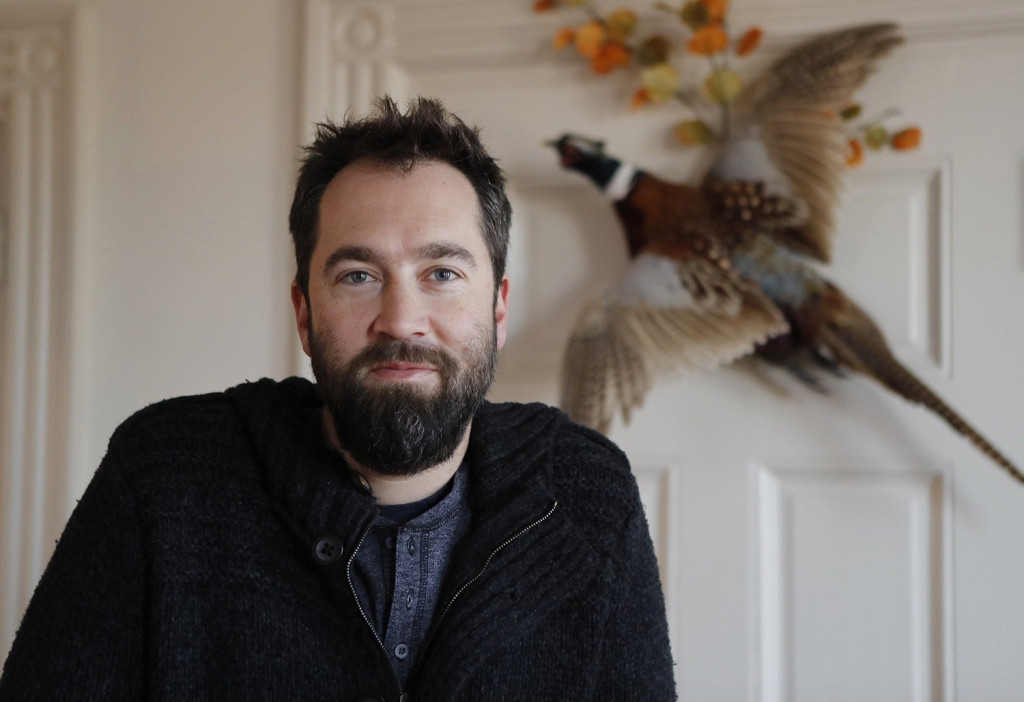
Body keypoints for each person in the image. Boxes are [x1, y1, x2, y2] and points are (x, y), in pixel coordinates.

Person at [0, 96, 675, 701]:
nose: (401, 319)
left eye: (442, 273)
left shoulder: (586, 494)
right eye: (358, 275)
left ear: (498, 309)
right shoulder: (166, 477)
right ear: (304, 312)